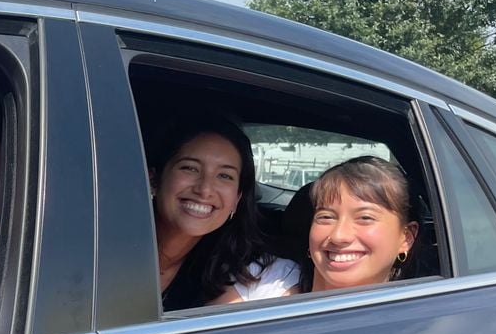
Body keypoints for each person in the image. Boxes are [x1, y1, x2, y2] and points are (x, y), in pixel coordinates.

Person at [150, 116, 299, 309]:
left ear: (236, 199)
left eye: (224, 176)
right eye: (190, 168)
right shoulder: (102, 246)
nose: (205, 190)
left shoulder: (240, 274)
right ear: (154, 179)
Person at [302, 156, 418, 293]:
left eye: (365, 217)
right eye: (326, 217)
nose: (338, 236)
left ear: (406, 238)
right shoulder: (277, 297)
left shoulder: (426, 313)